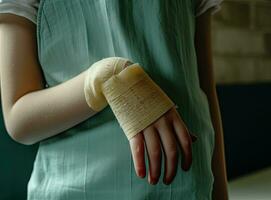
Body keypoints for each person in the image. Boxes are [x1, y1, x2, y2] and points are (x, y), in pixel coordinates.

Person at [0, 0, 228, 199]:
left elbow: (202, 93)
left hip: (185, 188)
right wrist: (107, 77)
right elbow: (18, 118)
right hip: (75, 189)